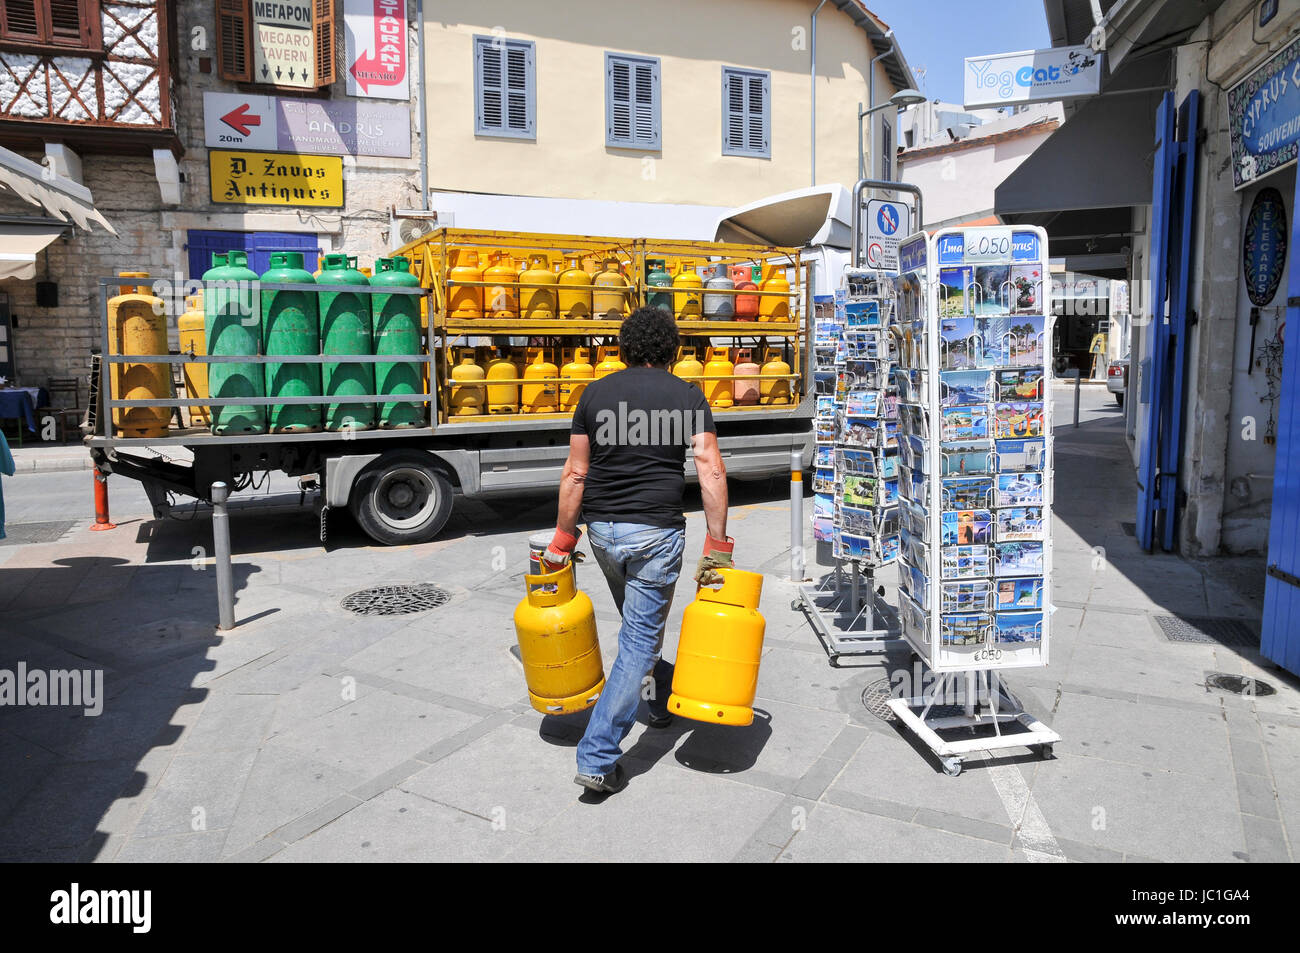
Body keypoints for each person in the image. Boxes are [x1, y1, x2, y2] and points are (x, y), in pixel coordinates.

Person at [542, 307, 734, 795]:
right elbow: (710, 467)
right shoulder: (687, 395)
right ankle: (598, 756)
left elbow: (576, 472)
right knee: (640, 641)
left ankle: (657, 696)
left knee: (637, 629)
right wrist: (717, 542)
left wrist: (564, 537)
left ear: (623, 349)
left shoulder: (595, 394)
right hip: (655, 536)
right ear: (672, 351)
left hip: (603, 533)